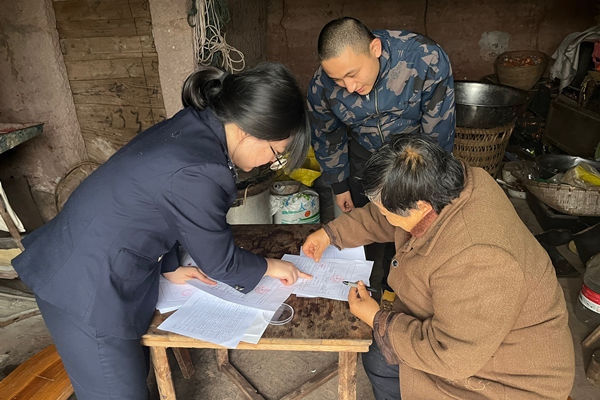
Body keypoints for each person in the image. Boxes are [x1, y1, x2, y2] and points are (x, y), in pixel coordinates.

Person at [12, 62, 311, 400]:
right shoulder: (203, 169)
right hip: (85, 288)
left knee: (131, 380)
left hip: (89, 258)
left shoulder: (197, 124)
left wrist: (169, 266)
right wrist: (272, 266)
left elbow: (157, 203)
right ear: (248, 130)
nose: (270, 162)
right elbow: (220, 263)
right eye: (275, 153)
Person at [302, 134, 575, 399]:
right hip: (474, 339)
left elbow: (452, 357)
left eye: (387, 211)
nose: (384, 215)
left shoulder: (480, 260)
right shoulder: (447, 185)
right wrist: (331, 234)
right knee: (378, 356)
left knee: (380, 357)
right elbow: (383, 214)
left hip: (503, 379)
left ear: (421, 207)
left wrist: (378, 319)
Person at [307, 16, 455, 213]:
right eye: (338, 80)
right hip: (364, 158)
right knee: (366, 223)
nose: (349, 87)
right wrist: (340, 186)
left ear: (375, 49)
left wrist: (429, 181)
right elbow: (327, 135)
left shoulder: (425, 58)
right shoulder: (321, 84)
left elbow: (438, 130)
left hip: (414, 159)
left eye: (352, 74)